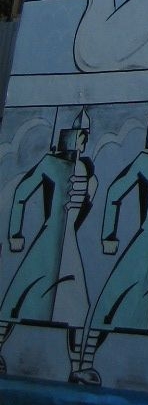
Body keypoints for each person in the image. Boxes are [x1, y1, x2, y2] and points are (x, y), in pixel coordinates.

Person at [72, 105, 148, 388]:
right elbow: (115, 192)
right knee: (111, 302)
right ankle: (85, 364)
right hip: (144, 242)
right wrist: (109, 235)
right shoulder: (146, 162)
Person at [0, 110, 95, 383]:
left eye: (84, 136)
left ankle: (78, 366)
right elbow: (22, 193)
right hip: (47, 238)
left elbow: (83, 208)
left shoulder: (85, 171)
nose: (82, 141)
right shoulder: (50, 163)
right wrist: (15, 233)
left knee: (78, 305)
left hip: (69, 242)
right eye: (80, 135)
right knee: (17, 296)